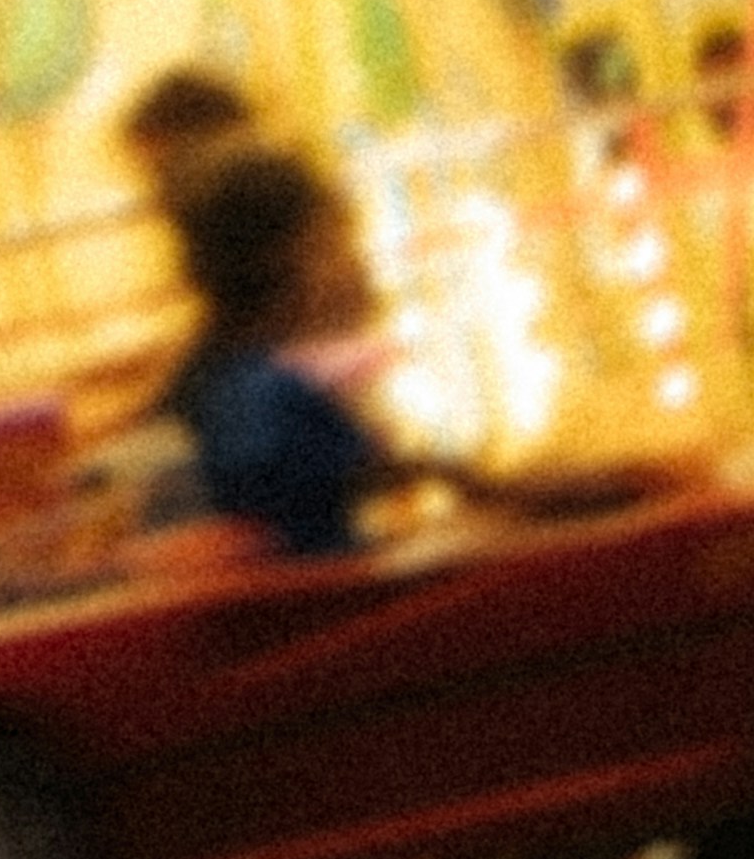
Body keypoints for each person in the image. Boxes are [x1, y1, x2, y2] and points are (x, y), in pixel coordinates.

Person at [157, 143, 671, 561]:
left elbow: (383, 476)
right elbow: (344, 488)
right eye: (339, 245)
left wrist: (480, 486)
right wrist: (490, 490)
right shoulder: (259, 392)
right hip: (327, 602)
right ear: (294, 257)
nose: (359, 267)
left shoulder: (242, 382)